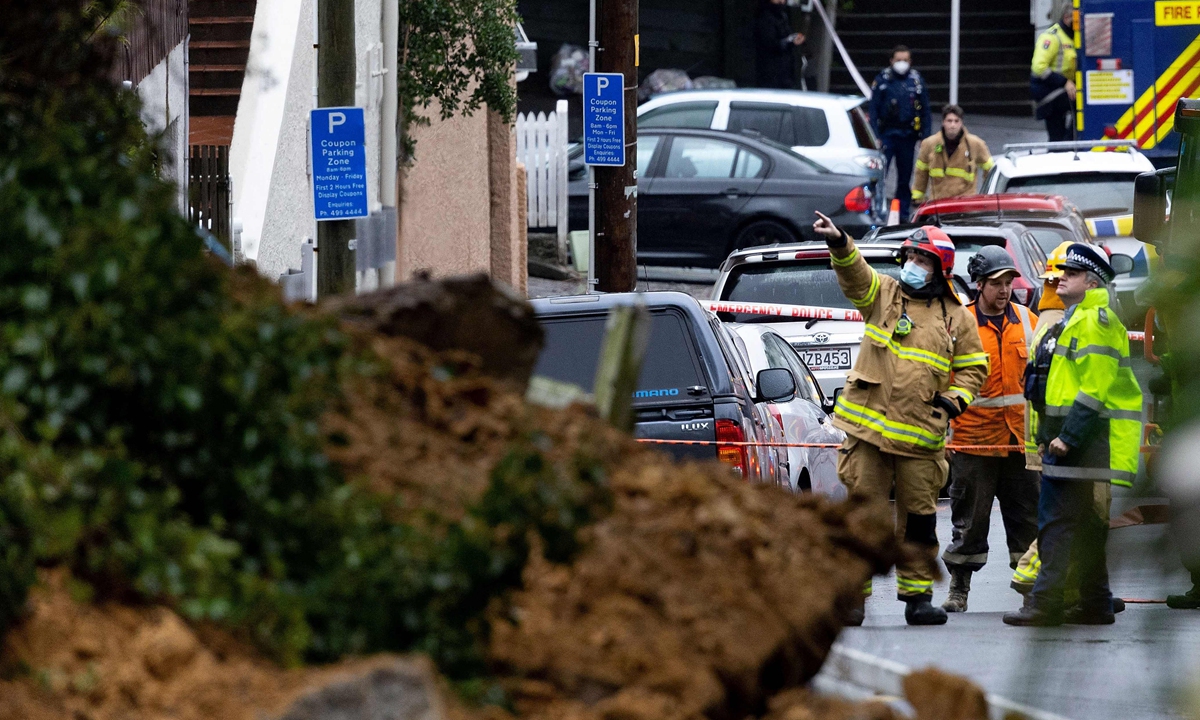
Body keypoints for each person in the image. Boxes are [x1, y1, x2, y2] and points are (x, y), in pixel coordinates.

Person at [812, 211, 987, 626]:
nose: (912, 265)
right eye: (910, 256)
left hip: (920, 438)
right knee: (862, 518)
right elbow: (856, 275)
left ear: (940, 269)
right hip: (867, 431)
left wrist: (952, 402)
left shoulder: (957, 317)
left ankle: (917, 598)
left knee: (920, 523)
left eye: (922, 260)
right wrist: (839, 241)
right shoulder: (885, 294)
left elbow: (974, 368)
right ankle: (852, 597)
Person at [1004, 244, 1143, 626]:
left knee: (1056, 525)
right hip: (1074, 444)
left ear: (1092, 281)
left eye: (1071, 273)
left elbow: (1094, 390)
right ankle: (1096, 604)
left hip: (1077, 446)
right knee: (1085, 526)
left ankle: (1045, 604)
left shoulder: (1093, 321)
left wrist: (1067, 437)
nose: (1060, 277)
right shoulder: (1075, 317)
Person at [940, 246, 1040, 613]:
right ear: (979, 284)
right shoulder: (959, 324)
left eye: (1009, 282)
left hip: (1019, 443)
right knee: (969, 521)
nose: (1004, 289)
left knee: (1027, 518)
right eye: (997, 282)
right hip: (973, 441)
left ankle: (1033, 589)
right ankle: (959, 589)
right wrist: (943, 431)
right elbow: (941, 380)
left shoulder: (1029, 321)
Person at [870, 45, 932, 220]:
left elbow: (925, 110)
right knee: (881, 176)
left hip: (908, 136)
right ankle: (877, 212)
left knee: (905, 178)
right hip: (887, 135)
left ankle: (903, 214)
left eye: (905, 60)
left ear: (910, 61)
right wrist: (875, 135)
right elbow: (873, 109)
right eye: (898, 60)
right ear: (891, 61)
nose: (902, 63)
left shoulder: (916, 80)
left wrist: (925, 136)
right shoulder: (882, 80)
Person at [911, 105, 995, 206]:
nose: (953, 125)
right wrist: (917, 198)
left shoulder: (975, 144)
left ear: (961, 123)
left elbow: (990, 170)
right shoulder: (929, 144)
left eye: (956, 121)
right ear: (943, 122)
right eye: (949, 121)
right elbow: (921, 173)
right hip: (938, 204)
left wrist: (987, 196)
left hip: (965, 204)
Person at [1031, 1, 1077, 142]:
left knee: (1057, 137)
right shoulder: (1052, 37)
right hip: (1049, 91)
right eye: (1076, 19)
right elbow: (1039, 67)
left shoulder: (1075, 37)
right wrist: (1064, 82)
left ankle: (1066, 143)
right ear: (1066, 18)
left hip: (1062, 90)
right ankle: (1066, 143)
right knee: (1081, 102)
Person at [756, 0, 805, 90]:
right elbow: (769, 43)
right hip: (771, 73)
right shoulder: (765, 17)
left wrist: (793, 40)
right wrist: (789, 43)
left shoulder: (783, 16)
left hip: (785, 72)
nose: (781, 2)